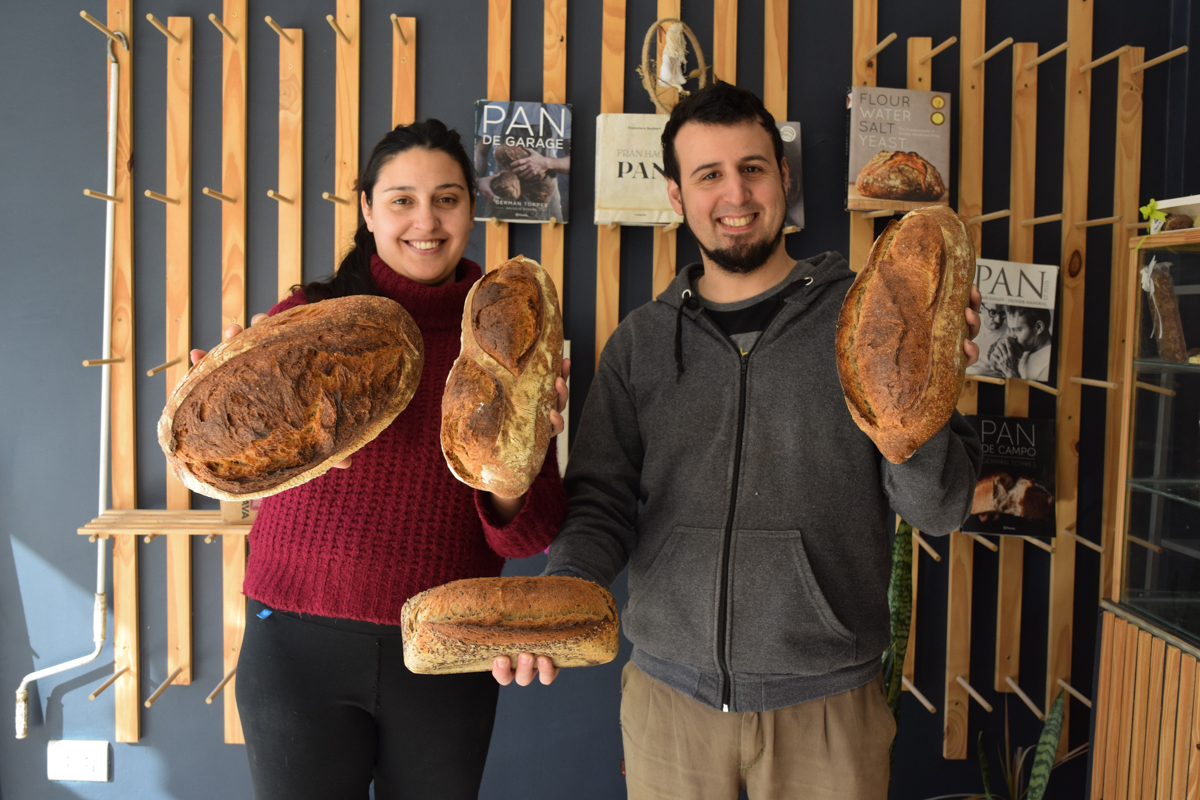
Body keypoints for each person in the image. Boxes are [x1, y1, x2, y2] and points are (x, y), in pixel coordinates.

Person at [496, 82, 984, 799]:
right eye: (709, 175)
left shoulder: (867, 319)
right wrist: (563, 594)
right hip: (670, 711)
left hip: (827, 714)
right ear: (675, 195)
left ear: (784, 177)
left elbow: (938, 509)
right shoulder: (640, 343)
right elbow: (601, 502)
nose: (737, 193)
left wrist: (926, 386)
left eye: (754, 168)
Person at [190, 120, 569, 800]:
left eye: (447, 199)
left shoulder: (504, 331)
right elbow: (231, 461)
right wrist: (217, 409)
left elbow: (532, 533)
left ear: (470, 209)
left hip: (445, 648)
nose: (426, 220)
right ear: (366, 209)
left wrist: (517, 459)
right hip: (296, 646)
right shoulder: (308, 318)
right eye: (401, 200)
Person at [987, 305, 1052, 380]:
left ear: (1038, 327)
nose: (1012, 335)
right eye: (1010, 329)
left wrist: (1011, 373)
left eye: (1017, 329)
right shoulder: (1026, 347)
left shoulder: (1049, 366)